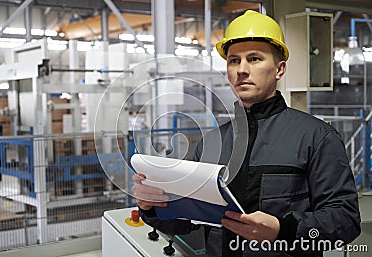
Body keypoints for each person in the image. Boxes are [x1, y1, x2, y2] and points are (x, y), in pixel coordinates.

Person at [132, 10, 361, 256]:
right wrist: (152, 207)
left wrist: (284, 230)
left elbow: (345, 220)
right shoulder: (210, 143)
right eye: (234, 60)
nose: (242, 69)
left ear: (279, 69)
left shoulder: (316, 137)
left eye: (254, 59)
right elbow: (183, 222)